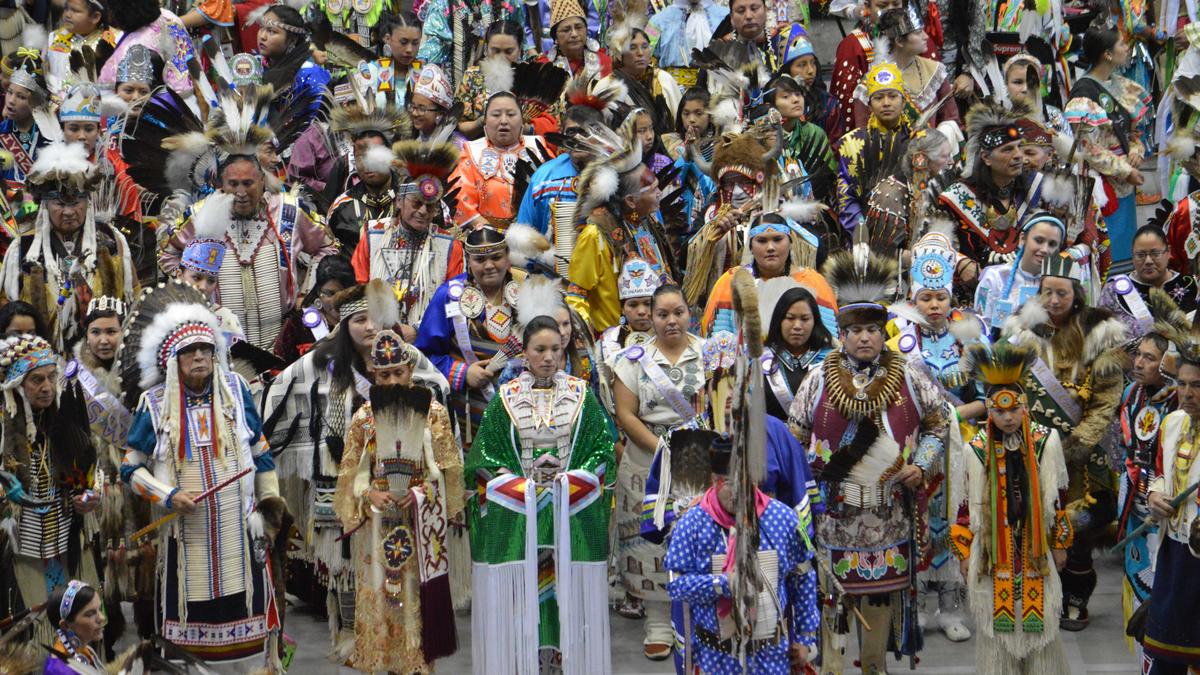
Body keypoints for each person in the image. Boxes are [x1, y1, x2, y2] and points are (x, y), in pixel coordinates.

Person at [262, 280, 450, 654]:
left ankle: (400, 637)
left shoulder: (409, 358)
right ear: (344, 326)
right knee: (347, 567)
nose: (369, 327)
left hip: (401, 485)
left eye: (375, 318)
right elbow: (281, 394)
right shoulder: (320, 363)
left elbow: (438, 389)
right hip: (344, 483)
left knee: (399, 563)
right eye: (359, 320)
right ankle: (352, 636)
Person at [788, 244, 950, 673]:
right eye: (855, 330)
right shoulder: (819, 377)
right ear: (841, 334)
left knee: (879, 596)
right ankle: (834, 667)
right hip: (832, 512)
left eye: (873, 330)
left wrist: (923, 464)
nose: (864, 337)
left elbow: (939, 424)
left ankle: (874, 665)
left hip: (889, 513)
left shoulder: (911, 373)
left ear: (884, 333)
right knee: (833, 596)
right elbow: (794, 437)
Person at [120, 286, 284, 665]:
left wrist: (272, 508)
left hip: (241, 532)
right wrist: (167, 494)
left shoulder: (237, 391)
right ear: (173, 360)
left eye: (206, 349)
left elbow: (260, 454)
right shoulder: (155, 403)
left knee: (254, 635)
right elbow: (131, 467)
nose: (199, 357)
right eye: (189, 351)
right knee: (188, 641)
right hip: (186, 536)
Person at [465, 314, 615, 673]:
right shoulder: (506, 398)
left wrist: (569, 484)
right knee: (526, 601)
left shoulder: (582, 395)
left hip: (568, 516)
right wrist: (516, 486)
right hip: (523, 518)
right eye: (540, 349)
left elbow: (602, 451)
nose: (549, 357)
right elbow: (483, 459)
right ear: (525, 354)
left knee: (565, 600)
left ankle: (568, 663)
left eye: (555, 349)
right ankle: (523, 663)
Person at [1002, 253, 1129, 632]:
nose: (1054, 301)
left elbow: (1107, 399)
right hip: (1030, 449)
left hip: (1083, 457)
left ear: (1077, 294)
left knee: (1078, 534)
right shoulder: (1022, 335)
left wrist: (1078, 442)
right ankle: (1042, 597)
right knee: (1034, 526)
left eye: (1062, 293)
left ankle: (1076, 598)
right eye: (1047, 294)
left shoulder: (1098, 335)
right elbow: (1006, 386)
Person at [333, 329, 462, 672]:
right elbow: (348, 475)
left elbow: (450, 471)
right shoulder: (363, 418)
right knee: (379, 597)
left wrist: (423, 495)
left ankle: (417, 666)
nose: (392, 380)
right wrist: (367, 493)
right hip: (376, 525)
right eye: (384, 374)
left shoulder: (433, 413)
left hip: (420, 526)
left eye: (398, 372)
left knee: (416, 600)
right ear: (373, 375)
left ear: (410, 369)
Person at [889, 231, 988, 642]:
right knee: (916, 518)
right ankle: (919, 604)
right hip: (913, 446)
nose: (933, 306)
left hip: (958, 445)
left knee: (951, 520)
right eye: (926, 298)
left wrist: (947, 415)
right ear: (913, 299)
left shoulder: (971, 334)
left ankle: (951, 605)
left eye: (940, 298)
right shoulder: (896, 335)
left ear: (952, 299)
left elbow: (987, 399)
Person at [951, 341, 1073, 673]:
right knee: (996, 630)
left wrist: (1059, 544)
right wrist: (964, 552)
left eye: (1013, 410)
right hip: (993, 553)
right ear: (988, 410)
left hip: (1036, 551)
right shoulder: (974, 449)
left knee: (1043, 626)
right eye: (999, 411)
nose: (1007, 418)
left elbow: (1056, 499)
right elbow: (964, 508)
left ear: (1025, 406)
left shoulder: (1045, 441)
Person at [663, 433, 821, 674]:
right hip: (716, 658)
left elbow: (804, 577)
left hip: (771, 657)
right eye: (727, 482)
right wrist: (722, 584)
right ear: (713, 479)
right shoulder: (693, 524)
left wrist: (807, 640)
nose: (736, 491)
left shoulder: (783, 520)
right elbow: (676, 586)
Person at [612, 284, 710, 660]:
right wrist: (663, 451)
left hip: (701, 460)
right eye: (662, 314)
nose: (671, 321)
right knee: (651, 535)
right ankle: (656, 620)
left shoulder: (709, 354)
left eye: (678, 313)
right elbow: (625, 414)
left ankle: (698, 612)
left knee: (698, 534)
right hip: (646, 460)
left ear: (690, 314)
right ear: (649, 318)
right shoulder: (632, 359)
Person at [159, 156, 337, 352]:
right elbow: (168, 254)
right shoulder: (200, 216)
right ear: (220, 184)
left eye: (248, 183)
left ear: (262, 180)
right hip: (219, 341)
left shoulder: (289, 210)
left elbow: (327, 247)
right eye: (233, 184)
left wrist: (308, 294)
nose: (241, 192)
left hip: (283, 337)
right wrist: (194, 292)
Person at [0, 333, 99, 645]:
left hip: (68, 541)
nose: (46, 387)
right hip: (21, 553)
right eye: (36, 380)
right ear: (16, 384)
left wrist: (90, 496)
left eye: (51, 378)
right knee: (34, 633)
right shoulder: (4, 428)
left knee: (81, 628)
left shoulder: (66, 419)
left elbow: (92, 472)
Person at [1, 142, 134, 351]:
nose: (69, 212)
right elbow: (7, 309)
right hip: (42, 359)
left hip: (102, 355)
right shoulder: (24, 250)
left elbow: (132, 296)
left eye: (75, 203)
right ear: (45, 205)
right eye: (60, 204)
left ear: (87, 203)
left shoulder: (110, 240)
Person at [414, 227, 525, 443]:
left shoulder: (525, 292)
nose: (489, 265)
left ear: (508, 257)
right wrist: (462, 373)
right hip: (465, 411)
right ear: (468, 260)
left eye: (496, 257)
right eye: (480, 259)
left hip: (520, 408)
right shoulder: (449, 296)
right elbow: (423, 356)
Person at [564, 118, 673, 333]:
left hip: (656, 336)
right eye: (652, 189)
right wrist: (599, 342)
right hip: (616, 343)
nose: (659, 194)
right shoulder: (596, 234)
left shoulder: (646, 222)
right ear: (631, 200)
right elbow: (577, 296)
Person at [352, 138, 465, 334]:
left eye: (430, 207)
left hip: (428, 340)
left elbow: (452, 302)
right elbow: (359, 290)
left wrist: (420, 332)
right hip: (376, 335)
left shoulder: (448, 246)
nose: (423, 211)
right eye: (416, 203)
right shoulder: (373, 238)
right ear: (399, 202)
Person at [1115, 318, 1179, 666]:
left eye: (1150, 358)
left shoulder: (1180, 404)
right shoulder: (1130, 394)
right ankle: (1147, 664)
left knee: (1167, 593)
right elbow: (1125, 449)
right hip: (1135, 506)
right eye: (1138, 355)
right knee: (1139, 591)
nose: (1139, 363)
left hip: (1168, 510)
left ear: (1167, 364)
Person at [1069, 25, 1148, 274]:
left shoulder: (1120, 84)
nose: (1127, 48)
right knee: (1108, 247)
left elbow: (1134, 131)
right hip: (1102, 188)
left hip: (1125, 182)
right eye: (1122, 45)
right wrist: (1125, 170)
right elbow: (1087, 147)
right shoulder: (1084, 92)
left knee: (1126, 244)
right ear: (1107, 54)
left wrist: (1136, 150)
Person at [1142, 338, 1200, 673]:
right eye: (1182, 384)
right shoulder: (1172, 422)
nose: (1187, 393)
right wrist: (1155, 496)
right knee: (1165, 655)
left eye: (1197, 386)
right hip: (1173, 552)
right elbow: (1159, 472)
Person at [940, 100, 1043, 272]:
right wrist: (960, 263)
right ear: (986, 158)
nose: (1019, 155)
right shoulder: (956, 197)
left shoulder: (1037, 189)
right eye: (1008, 150)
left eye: (1019, 147)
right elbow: (936, 245)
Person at [701, 212, 837, 337]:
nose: (770, 247)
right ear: (751, 247)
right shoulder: (732, 281)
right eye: (762, 241)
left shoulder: (813, 282)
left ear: (790, 243)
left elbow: (830, 342)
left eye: (778, 239)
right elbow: (717, 341)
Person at [515, 104, 604, 277]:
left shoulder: (621, 174)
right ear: (562, 135)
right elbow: (523, 241)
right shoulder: (544, 177)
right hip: (554, 285)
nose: (578, 138)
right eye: (571, 132)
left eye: (586, 132)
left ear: (602, 134)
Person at [852, 3, 959, 131]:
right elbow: (862, 133)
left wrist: (944, 134)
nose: (925, 37)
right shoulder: (872, 82)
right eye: (918, 32)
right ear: (899, 41)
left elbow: (952, 119)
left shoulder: (934, 71)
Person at [834, 61, 912, 234]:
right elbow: (846, 197)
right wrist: (862, 233)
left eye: (892, 96)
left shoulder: (919, 141)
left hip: (910, 228)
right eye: (878, 98)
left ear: (904, 101)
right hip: (865, 230)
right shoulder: (851, 144)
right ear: (869, 105)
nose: (886, 103)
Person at [451, 92, 539, 230]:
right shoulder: (471, 152)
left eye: (511, 114)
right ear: (485, 120)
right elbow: (462, 201)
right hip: (486, 240)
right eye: (496, 115)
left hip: (534, 238)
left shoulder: (539, 148)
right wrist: (493, 234)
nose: (503, 121)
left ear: (522, 119)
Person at [862, 128, 955, 251]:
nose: (951, 162)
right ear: (922, 159)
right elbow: (880, 254)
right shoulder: (890, 195)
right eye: (945, 156)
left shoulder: (932, 187)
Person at [974, 212, 1066, 336]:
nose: (1045, 249)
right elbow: (980, 332)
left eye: (1052, 244)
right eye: (1039, 240)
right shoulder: (994, 278)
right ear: (1022, 239)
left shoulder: (1063, 287)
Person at [1102, 225, 1200, 340]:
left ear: (1168, 252)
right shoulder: (1113, 290)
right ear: (1132, 256)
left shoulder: (1191, 285)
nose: (1148, 261)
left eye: (1155, 254)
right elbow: (1103, 339)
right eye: (1140, 255)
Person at [759, 279, 835, 421]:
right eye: (790, 318)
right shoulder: (758, 360)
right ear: (779, 320)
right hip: (771, 440)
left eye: (805, 319)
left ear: (815, 321)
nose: (797, 326)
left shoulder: (831, 361)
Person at [829, 0, 902, 140]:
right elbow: (846, 110)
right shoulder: (852, 45)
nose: (891, 10)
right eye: (883, 6)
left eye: (896, 4)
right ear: (867, 7)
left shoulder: (914, 40)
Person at [602, 12, 680, 136]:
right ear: (620, 55)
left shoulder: (664, 80)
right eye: (632, 47)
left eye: (645, 47)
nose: (640, 53)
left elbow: (678, 125)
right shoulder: (607, 86)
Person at [273, 254, 356, 363]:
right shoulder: (297, 325)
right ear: (318, 291)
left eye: (344, 293)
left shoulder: (361, 321)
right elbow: (278, 368)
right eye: (331, 294)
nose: (338, 300)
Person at [255, 5, 330, 123]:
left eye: (271, 31)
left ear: (292, 40)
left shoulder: (310, 75)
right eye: (261, 28)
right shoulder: (254, 67)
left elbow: (317, 127)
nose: (262, 36)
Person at [99, 0, 194, 95]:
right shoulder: (168, 17)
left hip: (154, 104)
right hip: (193, 92)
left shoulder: (132, 46)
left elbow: (108, 89)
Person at [772, 75, 837, 205]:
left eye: (798, 94)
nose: (796, 100)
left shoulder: (814, 133)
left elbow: (830, 177)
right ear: (771, 105)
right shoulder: (764, 136)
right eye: (786, 97)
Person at [44, 0, 117, 101]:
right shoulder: (55, 38)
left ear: (95, 17)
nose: (67, 15)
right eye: (66, 8)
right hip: (58, 106)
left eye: (75, 11)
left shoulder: (114, 41)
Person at [648, 0, 727, 88]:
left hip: (719, 90)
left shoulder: (727, 16)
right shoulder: (656, 22)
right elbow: (646, 62)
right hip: (674, 93)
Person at [0, 55, 52, 186]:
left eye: (21, 97)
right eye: (10, 92)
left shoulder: (50, 137)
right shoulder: (2, 133)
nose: (11, 101)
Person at [44, 580, 106, 674]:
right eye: (90, 614)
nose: (102, 618)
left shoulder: (83, 649)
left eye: (99, 609)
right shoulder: (58, 670)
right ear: (65, 625)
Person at [538, 0, 611, 79]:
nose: (574, 34)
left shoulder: (604, 62)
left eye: (579, 27)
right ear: (556, 38)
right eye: (566, 30)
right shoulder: (544, 67)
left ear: (586, 30)